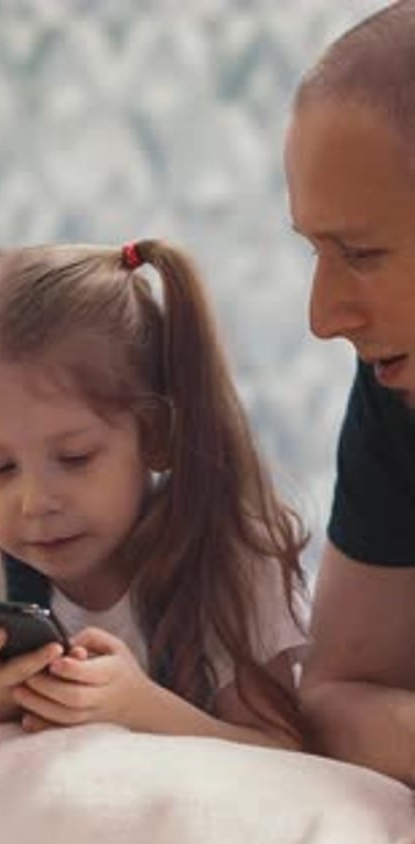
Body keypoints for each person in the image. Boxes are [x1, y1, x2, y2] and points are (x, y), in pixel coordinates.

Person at [0, 239, 307, 747]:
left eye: (76, 458)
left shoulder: (234, 564)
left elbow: (289, 756)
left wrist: (140, 708)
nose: (36, 502)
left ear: (156, 434)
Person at [285, 0, 415, 781]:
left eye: (360, 253)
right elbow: (333, 696)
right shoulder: (396, 393)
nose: (323, 318)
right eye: (315, 252)